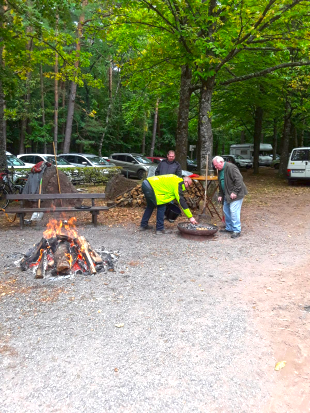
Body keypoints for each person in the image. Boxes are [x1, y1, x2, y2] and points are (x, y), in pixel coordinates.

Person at [212, 155, 248, 239]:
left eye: (216, 165)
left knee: (234, 211)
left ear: (221, 162)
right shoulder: (220, 170)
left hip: (237, 194)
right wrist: (220, 194)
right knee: (226, 210)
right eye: (214, 166)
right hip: (227, 194)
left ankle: (236, 230)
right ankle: (229, 228)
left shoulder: (231, 167)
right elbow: (221, 183)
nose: (215, 167)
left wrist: (235, 192)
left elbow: (239, 179)